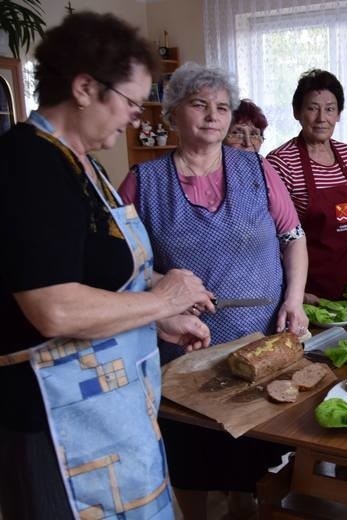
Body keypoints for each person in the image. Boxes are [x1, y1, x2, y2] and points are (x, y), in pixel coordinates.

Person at [0, 12, 213, 519]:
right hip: (54, 421)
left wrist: (159, 316)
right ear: (83, 88)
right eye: (132, 101)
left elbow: (107, 275)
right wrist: (162, 299)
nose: (137, 117)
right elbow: (53, 308)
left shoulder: (86, 164)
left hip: (112, 410)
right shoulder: (28, 163)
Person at [119, 62, 305, 519]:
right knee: (192, 456)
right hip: (184, 350)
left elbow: (293, 237)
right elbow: (121, 264)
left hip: (260, 339)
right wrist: (160, 286)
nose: (213, 116)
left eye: (222, 107)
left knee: (253, 457)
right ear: (173, 114)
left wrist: (294, 299)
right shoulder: (143, 183)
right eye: (199, 104)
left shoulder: (257, 170)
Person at [267, 69, 347, 301]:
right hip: (310, 288)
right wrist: (294, 292)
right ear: (297, 112)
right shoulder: (282, 162)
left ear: (339, 114)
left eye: (330, 109)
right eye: (313, 108)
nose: (322, 118)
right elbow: (273, 236)